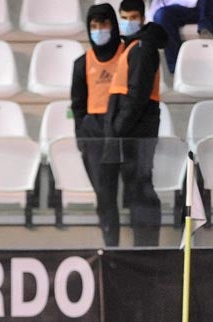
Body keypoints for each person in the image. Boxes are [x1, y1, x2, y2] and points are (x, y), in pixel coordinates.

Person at [105, 0, 168, 248]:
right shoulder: (133, 47)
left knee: (141, 185)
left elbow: (137, 96)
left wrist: (118, 127)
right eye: (124, 17)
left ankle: (146, 247)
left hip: (137, 129)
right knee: (136, 186)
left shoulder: (142, 48)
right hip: (135, 126)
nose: (128, 22)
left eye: (133, 17)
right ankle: (143, 245)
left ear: (142, 19)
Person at [71, 3, 124, 249]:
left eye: (103, 24)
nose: (99, 30)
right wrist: (83, 136)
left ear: (113, 26)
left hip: (124, 129)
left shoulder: (128, 55)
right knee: (104, 196)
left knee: (133, 192)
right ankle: (111, 245)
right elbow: (78, 105)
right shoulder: (82, 63)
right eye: (93, 26)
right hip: (94, 130)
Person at [146, 0, 213, 73]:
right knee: (162, 15)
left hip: (204, 7)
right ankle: (178, 70)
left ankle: (206, 32)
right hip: (176, 8)